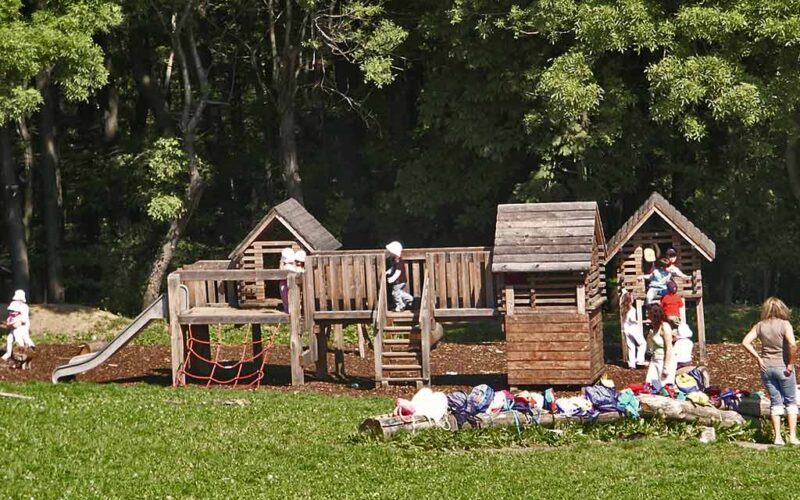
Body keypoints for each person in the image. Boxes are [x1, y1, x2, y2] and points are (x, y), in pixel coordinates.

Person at [742, 297, 798, 445]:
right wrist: (791, 364)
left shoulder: (760, 325)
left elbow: (745, 342)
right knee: (791, 401)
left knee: (775, 401)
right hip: (783, 367)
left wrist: (758, 358)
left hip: (766, 367)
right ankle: (792, 437)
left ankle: (777, 437)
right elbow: (793, 345)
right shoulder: (785, 324)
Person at [645, 303, 676, 391]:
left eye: (649, 313)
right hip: (655, 360)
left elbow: (669, 348)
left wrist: (665, 367)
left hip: (665, 361)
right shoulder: (653, 327)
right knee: (649, 386)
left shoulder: (665, 327)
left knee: (664, 388)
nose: (647, 316)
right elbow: (651, 346)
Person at [3, 290, 35, 365]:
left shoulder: (25, 307)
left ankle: (26, 352)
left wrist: (19, 322)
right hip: (14, 327)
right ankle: (8, 354)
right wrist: (10, 323)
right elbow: (10, 316)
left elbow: (24, 319)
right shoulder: (14, 304)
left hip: (22, 327)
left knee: (23, 339)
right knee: (9, 339)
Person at [620, 289, 646, 369]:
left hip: (626, 329)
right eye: (632, 297)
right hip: (633, 328)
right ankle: (639, 360)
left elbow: (623, 297)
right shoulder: (632, 309)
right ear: (630, 300)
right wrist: (639, 321)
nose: (633, 299)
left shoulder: (622, 307)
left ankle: (631, 364)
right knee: (643, 343)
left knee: (631, 346)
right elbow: (632, 319)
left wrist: (624, 291)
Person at [385, 241, 413, 312]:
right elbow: (393, 268)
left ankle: (401, 306)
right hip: (400, 280)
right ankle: (409, 298)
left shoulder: (398, 260)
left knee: (395, 293)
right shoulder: (395, 259)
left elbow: (398, 271)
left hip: (399, 281)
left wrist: (392, 278)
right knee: (399, 292)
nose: (389, 253)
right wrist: (388, 271)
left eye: (390, 252)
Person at [279, 247, 296, 312]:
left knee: (286, 296)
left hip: (287, 282)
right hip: (285, 282)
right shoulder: (290, 265)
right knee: (287, 296)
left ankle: (288, 309)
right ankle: (289, 309)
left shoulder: (288, 265)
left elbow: (281, 269)